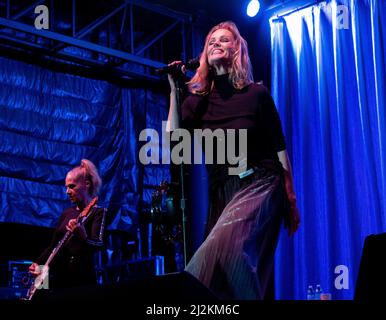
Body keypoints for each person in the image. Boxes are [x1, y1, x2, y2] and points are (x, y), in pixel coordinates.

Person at [166, 21, 300, 299]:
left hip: (260, 183)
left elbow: (278, 147)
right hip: (222, 193)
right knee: (214, 274)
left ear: (237, 49)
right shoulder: (196, 102)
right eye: (211, 41)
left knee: (221, 256)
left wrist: (291, 198)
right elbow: (173, 141)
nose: (216, 43)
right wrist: (174, 90)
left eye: (224, 39)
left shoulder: (256, 94)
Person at [29, 159, 107, 290]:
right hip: (59, 278)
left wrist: (83, 237)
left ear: (86, 184)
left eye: (72, 186)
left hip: (81, 281)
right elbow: (53, 246)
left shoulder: (98, 212)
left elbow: (98, 244)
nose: (67, 191)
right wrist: (38, 263)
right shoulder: (67, 213)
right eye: (66, 187)